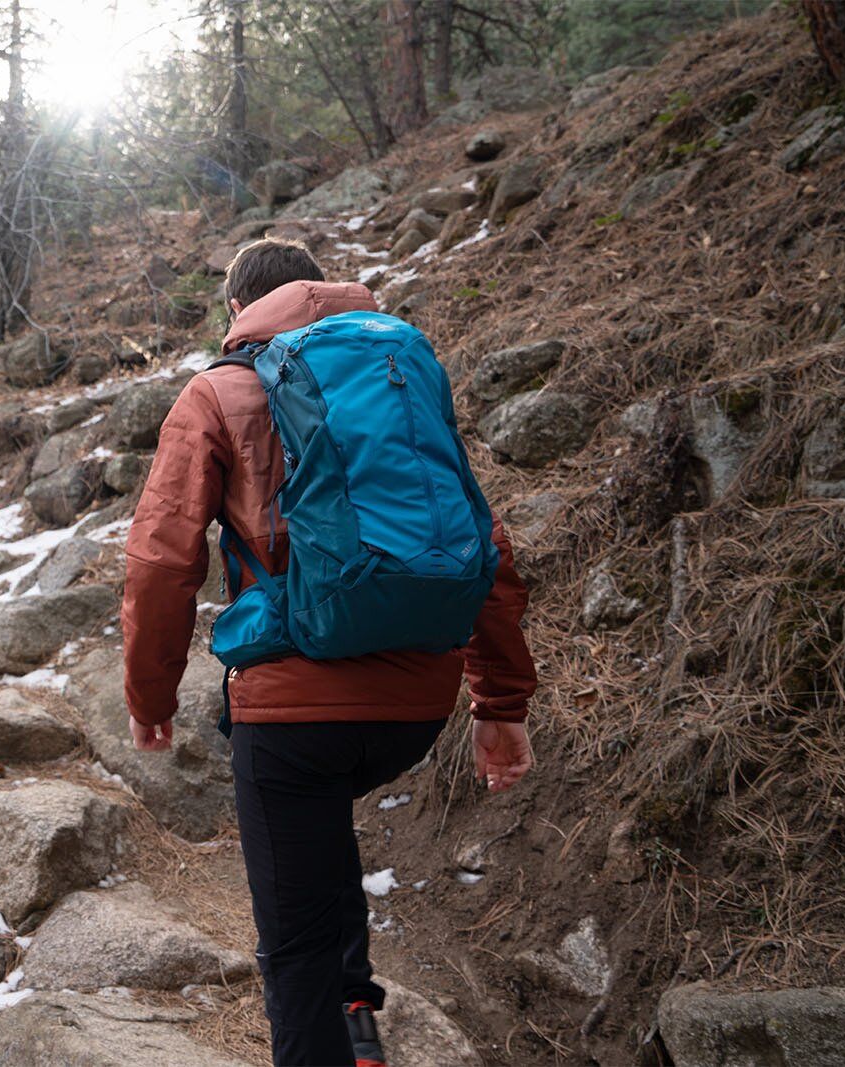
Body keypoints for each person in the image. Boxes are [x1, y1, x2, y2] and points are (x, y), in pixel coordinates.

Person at [121, 238, 538, 1067]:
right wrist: (500, 705)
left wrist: (150, 696)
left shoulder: (219, 390)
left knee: (294, 940)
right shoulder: (399, 373)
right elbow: (482, 542)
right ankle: (358, 1022)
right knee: (320, 838)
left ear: (238, 311)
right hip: (416, 708)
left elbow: (162, 560)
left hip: (294, 712)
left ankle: (331, 1023)